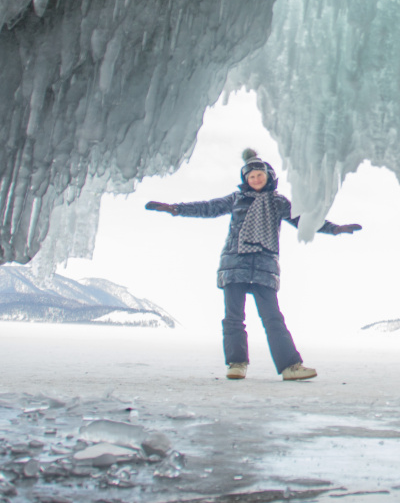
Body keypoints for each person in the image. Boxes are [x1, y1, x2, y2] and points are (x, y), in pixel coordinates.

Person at [146, 148, 360, 382]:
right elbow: (208, 207)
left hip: (264, 268)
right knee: (233, 318)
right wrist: (175, 208)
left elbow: (305, 221)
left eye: (260, 175)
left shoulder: (278, 203)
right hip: (234, 265)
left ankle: (290, 367)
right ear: (245, 179)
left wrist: (335, 229)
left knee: (273, 318)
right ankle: (237, 363)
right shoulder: (236, 199)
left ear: (268, 176)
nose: (256, 179)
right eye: (251, 176)